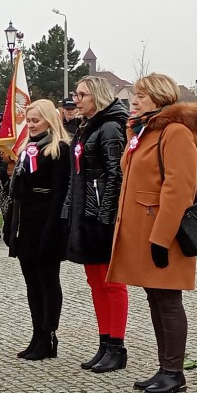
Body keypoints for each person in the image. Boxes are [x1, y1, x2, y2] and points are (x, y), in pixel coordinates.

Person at [107, 73, 197, 393]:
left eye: (142, 95)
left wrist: (162, 238)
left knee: (168, 300)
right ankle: (165, 368)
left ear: (160, 98)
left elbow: (177, 190)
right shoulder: (146, 131)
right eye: (135, 95)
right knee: (156, 298)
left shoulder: (174, 132)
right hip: (146, 230)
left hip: (164, 232)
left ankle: (174, 372)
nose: (134, 100)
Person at [63, 76, 129, 372]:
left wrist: (105, 216)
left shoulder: (112, 127)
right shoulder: (86, 126)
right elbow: (76, 174)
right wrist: (69, 211)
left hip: (101, 215)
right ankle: (104, 342)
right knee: (95, 282)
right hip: (85, 212)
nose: (76, 99)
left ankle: (117, 345)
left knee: (111, 282)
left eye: (82, 94)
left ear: (97, 97)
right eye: (75, 94)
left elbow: (115, 175)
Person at [3, 99, 70, 361]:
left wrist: (53, 229)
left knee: (48, 281)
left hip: (47, 221)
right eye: (28, 121)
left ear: (49, 121)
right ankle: (36, 333)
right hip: (26, 220)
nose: (30, 125)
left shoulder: (58, 149)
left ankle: (49, 333)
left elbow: (59, 192)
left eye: (35, 121)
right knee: (32, 282)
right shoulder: (28, 148)